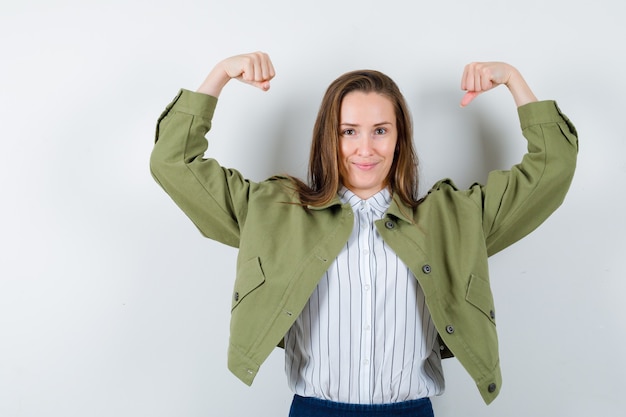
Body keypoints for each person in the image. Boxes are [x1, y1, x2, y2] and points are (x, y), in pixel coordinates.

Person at [150, 51, 578, 417]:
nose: (365, 148)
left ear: (399, 137)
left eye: (380, 130)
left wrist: (512, 79)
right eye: (348, 131)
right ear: (328, 138)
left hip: (411, 409)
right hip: (315, 409)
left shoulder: (455, 218)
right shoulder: (273, 213)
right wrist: (220, 73)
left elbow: (550, 168)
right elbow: (174, 163)